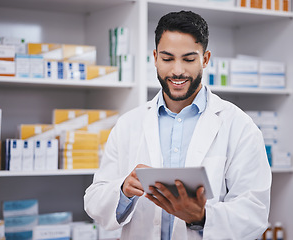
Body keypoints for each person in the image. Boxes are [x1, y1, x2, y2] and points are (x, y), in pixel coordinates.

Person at [84, 10, 271, 240]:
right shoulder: (129, 124)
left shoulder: (239, 126)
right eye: (167, 58)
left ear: (205, 59)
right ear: (154, 57)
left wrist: (201, 216)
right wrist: (123, 191)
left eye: (189, 59)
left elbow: (255, 214)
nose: (177, 70)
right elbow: (94, 199)